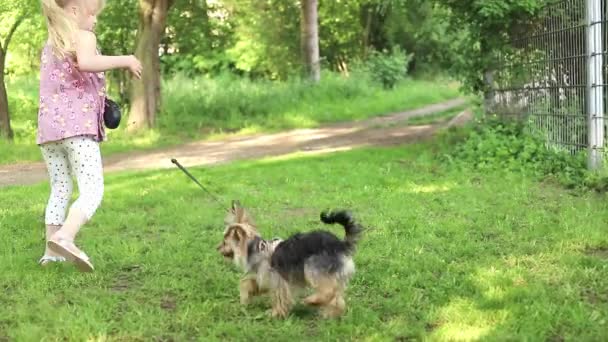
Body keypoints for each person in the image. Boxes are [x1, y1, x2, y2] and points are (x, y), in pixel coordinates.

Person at [37, 0, 142, 272]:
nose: (95, 21)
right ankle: (65, 237)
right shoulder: (83, 36)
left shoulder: (52, 45)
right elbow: (86, 62)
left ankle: (51, 253)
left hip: (50, 131)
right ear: (74, 11)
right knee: (92, 189)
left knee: (60, 188)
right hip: (77, 129)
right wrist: (126, 60)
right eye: (92, 14)